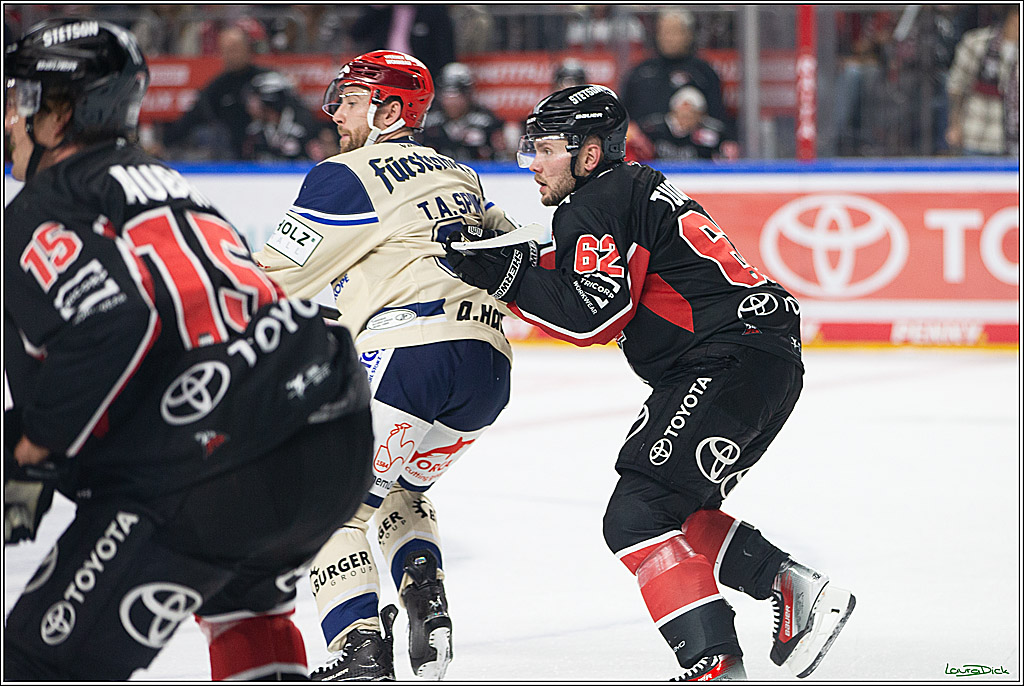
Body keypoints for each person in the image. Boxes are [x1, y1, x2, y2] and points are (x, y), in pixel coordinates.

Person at [443, 85, 856, 681]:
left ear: (588, 154)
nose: (532, 161)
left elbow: (594, 314)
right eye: (529, 147)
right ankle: (792, 587)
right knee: (676, 509)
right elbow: (591, 271)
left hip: (727, 359)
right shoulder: (630, 187)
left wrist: (502, 277)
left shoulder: (593, 202)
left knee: (637, 517)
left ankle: (714, 662)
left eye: (545, 149)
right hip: (757, 357)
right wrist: (517, 260)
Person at [3, 18, 374, 680]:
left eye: (19, 100)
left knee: (34, 659)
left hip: (226, 453)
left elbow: (113, 324)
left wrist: (32, 453)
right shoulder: (172, 185)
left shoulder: (43, 206)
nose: (9, 119)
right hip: (330, 423)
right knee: (246, 608)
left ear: (57, 113)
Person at [252, 50, 518, 680]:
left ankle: (359, 650)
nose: (335, 112)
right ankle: (428, 606)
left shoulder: (347, 174)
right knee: (403, 489)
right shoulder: (460, 176)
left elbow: (275, 282)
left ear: (389, 109)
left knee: (326, 503)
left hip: (407, 355)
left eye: (348, 99)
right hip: (486, 369)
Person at [620, 8, 738, 160]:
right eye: (664, 31)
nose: (668, 37)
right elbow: (624, 116)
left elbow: (718, 118)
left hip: (693, 159)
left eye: (675, 31)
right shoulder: (640, 72)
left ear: (689, 34)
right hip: (644, 157)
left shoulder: (703, 72)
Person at [160, 24, 268, 159]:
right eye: (226, 50)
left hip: (268, 153)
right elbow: (193, 116)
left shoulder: (268, 80)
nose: (230, 55)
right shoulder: (218, 86)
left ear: (247, 49)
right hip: (231, 155)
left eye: (234, 49)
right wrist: (164, 143)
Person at [946, 5, 1019, 156]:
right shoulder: (976, 43)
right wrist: (954, 125)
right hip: (977, 134)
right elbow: (957, 87)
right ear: (1013, 18)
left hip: (1015, 141)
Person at [420, 62, 507, 161]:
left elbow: (500, 156)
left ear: (468, 94)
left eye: (457, 95)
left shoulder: (486, 121)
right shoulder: (429, 122)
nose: (452, 101)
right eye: (447, 95)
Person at [241, 70, 330, 162]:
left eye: (255, 99)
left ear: (270, 99)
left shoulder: (304, 127)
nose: (249, 104)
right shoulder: (253, 131)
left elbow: (316, 160)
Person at [639, 85, 728, 160]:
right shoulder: (652, 128)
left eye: (692, 115)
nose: (686, 120)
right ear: (673, 111)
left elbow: (724, 156)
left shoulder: (712, 133)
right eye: (683, 115)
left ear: (700, 116)